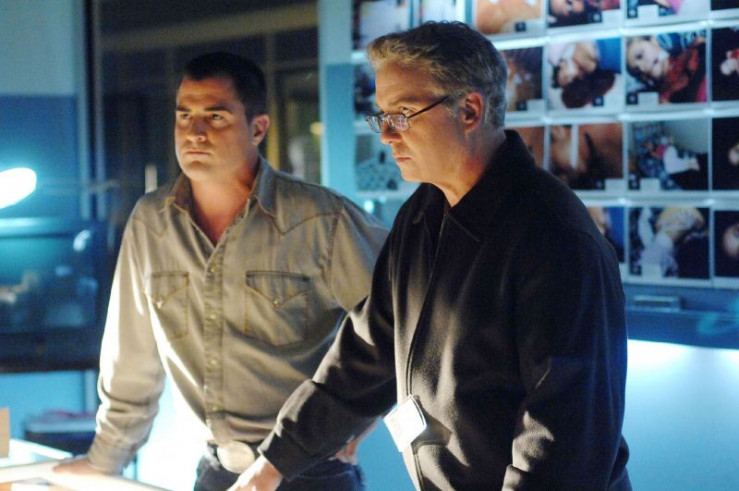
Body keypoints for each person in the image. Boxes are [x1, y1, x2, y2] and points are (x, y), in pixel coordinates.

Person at [233, 21, 631, 490]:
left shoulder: (554, 236)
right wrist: (269, 467)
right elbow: (365, 358)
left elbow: (562, 441)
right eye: (382, 116)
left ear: (469, 110)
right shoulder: (422, 213)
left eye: (402, 114)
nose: (387, 135)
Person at [52, 52, 388, 490]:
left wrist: (364, 418)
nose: (194, 132)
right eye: (184, 116)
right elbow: (131, 359)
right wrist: (106, 459)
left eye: (215, 117)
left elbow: (404, 324)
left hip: (312, 473)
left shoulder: (319, 219)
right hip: (216, 470)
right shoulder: (152, 223)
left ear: (258, 128)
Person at [626, 32, 707, 103]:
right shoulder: (663, 100)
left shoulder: (698, 50)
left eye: (640, 55)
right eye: (637, 70)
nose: (642, 68)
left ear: (653, 41)